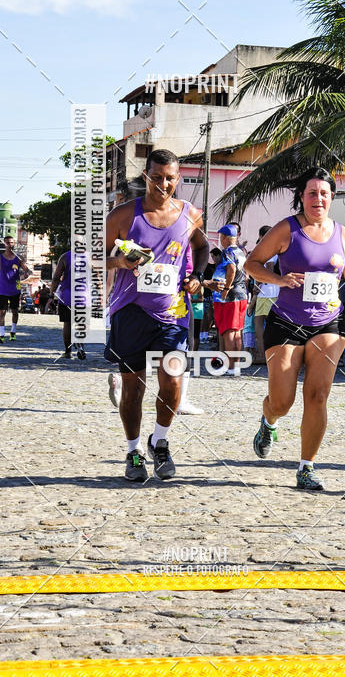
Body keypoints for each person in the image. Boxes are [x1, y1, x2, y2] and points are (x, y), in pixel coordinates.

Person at [244, 167, 345, 492]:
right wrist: (278, 279)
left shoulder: (342, 234)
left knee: (318, 396)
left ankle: (307, 467)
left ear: (332, 197)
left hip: (328, 322)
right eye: (311, 193)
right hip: (286, 322)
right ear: (302, 197)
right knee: (282, 402)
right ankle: (268, 421)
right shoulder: (286, 229)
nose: (317, 198)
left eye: (323, 193)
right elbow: (252, 264)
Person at [104, 148, 209, 481]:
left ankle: (159, 442)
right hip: (130, 312)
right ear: (146, 176)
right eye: (157, 177)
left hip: (173, 314)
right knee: (133, 389)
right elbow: (94, 257)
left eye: (170, 178)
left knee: (173, 381)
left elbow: (203, 247)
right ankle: (134, 451)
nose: (163, 184)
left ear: (177, 179)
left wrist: (196, 275)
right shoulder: (122, 216)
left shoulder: (191, 214)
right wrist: (119, 262)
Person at [211, 224, 248, 376]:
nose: (220, 240)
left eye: (221, 237)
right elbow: (246, 274)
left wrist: (226, 290)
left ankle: (230, 366)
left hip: (230, 297)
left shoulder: (227, 252)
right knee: (237, 332)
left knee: (228, 332)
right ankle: (236, 366)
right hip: (242, 295)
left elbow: (231, 270)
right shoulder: (241, 252)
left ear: (225, 237)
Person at [49, 249, 86, 360]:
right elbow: (97, 278)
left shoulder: (65, 257)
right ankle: (81, 345)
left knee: (67, 323)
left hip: (67, 296)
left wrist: (51, 294)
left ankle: (68, 351)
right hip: (84, 296)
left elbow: (56, 277)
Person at [254, 225, 279, 365]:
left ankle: (263, 355)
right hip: (269, 291)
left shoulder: (269, 250)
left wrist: (258, 283)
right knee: (266, 325)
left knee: (261, 325)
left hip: (268, 292)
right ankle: (265, 355)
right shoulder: (275, 249)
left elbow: (268, 269)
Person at [0, 235, 31, 342]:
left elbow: (27, 270)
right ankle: (1, 334)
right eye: (8, 243)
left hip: (15, 287)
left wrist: (23, 276)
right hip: (2, 287)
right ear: (4, 244)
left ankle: (13, 332)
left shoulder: (19, 258)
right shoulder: (0, 257)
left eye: (12, 242)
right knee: (2, 312)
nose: (10, 245)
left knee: (15, 311)